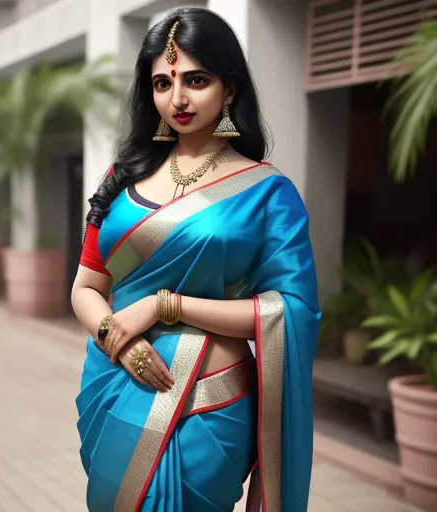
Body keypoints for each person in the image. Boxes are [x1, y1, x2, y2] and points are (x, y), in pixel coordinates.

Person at [71, 6, 321, 512]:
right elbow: (86, 287)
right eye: (162, 83)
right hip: (116, 382)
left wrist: (167, 307)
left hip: (211, 401)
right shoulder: (122, 178)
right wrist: (121, 346)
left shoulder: (267, 193)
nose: (177, 98)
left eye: (195, 79)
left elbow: (290, 312)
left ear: (229, 88)